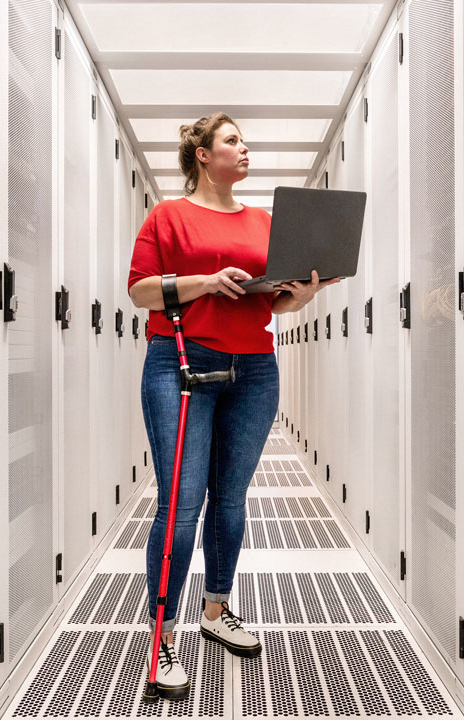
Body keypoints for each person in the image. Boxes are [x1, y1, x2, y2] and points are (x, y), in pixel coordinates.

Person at [127, 112, 339, 700]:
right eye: (232, 141)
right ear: (202, 155)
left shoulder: (266, 221)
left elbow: (276, 306)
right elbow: (141, 288)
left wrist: (303, 294)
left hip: (254, 368)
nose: (245, 149)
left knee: (231, 497)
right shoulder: (168, 216)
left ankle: (216, 611)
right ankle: (160, 636)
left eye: (244, 140)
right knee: (181, 501)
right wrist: (203, 281)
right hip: (181, 363)